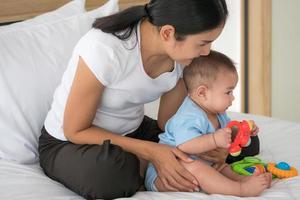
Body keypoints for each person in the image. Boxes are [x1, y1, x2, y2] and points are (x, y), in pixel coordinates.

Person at [37, 0, 257, 199]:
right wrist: (152, 151)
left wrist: (212, 141)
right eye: (202, 43)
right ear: (168, 33)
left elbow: (168, 122)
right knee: (110, 176)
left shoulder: (181, 57)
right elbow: (75, 130)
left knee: (246, 143)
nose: (207, 52)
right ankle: (144, 166)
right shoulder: (104, 49)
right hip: (70, 142)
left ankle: (145, 165)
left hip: (132, 131)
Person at [145, 51, 272, 196]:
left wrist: (242, 131)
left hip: (201, 164)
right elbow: (185, 145)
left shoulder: (218, 113)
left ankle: (242, 180)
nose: (233, 98)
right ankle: (241, 190)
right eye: (228, 92)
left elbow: (229, 131)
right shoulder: (188, 115)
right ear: (202, 93)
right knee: (197, 168)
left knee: (222, 167)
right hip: (168, 173)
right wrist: (214, 139)